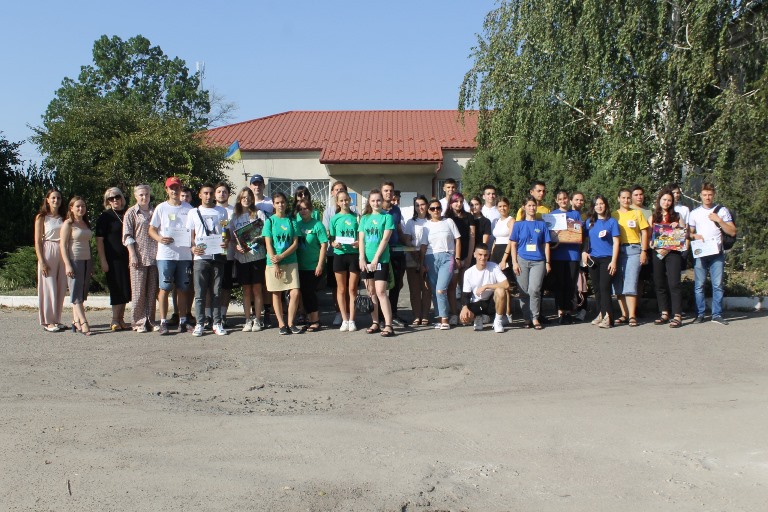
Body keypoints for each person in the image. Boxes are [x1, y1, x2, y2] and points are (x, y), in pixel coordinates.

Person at [149, 176, 194, 335]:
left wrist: (193, 245)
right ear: (166, 189)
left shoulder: (189, 208)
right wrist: (160, 238)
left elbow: (193, 231)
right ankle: (163, 322)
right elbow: (151, 229)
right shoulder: (161, 208)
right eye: (171, 188)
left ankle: (183, 321)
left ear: (181, 189)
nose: (174, 190)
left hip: (184, 256)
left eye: (177, 187)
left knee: (183, 289)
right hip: (166, 255)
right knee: (165, 288)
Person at [688, 182, 736, 325]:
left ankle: (717, 314)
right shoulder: (694, 213)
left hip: (717, 252)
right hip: (701, 252)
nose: (707, 197)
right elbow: (689, 233)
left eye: (710, 194)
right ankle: (700, 314)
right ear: (700, 195)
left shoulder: (721, 211)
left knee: (717, 285)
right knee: (699, 285)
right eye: (704, 195)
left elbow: (732, 231)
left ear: (713, 195)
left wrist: (719, 220)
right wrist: (694, 236)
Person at [188, 184, 229, 336]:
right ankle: (200, 323)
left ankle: (217, 323)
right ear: (200, 195)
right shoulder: (193, 212)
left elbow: (226, 232)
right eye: (205, 193)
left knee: (216, 291)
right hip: (200, 257)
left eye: (211, 193)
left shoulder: (221, 211)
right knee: (200, 293)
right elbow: (191, 236)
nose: (208, 196)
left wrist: (226, 242)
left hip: (218, 256)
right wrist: (193, 248)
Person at [509, 195, 551, 330]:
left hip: (538, 261)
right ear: (524, 207)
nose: (532, 208)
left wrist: (548, 262)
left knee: (535, 290)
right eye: (529, 205)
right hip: (522, 260)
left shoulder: (542, 224)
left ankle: (535, 317)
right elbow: (513, 245)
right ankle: (526, 318)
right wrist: (514, 262)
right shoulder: (518, 225)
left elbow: (546, 245)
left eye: (534, 205)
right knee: (523, 291)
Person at [358, 189, 396, 337]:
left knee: (381, 292)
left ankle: (388, 324)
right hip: (366, 260)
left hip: (381, 260)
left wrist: (375, 259)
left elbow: (385, 240)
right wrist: (361, 258)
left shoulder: (387, 218)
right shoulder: (364, 218)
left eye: (378, 200)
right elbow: (361, 239)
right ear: (369, 202)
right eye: (373, 200)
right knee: (371, 292)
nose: (376, 203)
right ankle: (375, 322)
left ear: (382, 201)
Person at [263, 192, 302, 335]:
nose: (280, 205)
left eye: (283, 202)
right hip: (273, 263)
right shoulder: (270, 222)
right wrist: (276, 263)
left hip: (290, 261)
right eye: (277, 203)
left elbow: (295, 243)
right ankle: (281, 323)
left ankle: (291, 322)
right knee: (276, 293)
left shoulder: (292, 221)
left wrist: (282, 256)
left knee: (295, 292)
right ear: (273, 204)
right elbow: (268, 244)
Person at [230, 187, 267, 332]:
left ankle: (257, 319)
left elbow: (265, 234)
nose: (246, 199)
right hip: (242, 259)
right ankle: (247, 320)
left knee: (257, 289)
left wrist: (256, 240)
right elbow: (232, 239)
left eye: (249, 197)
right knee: (246, 290)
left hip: (257, 256)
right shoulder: (234, 217)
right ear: (240, 199)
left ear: (252, 199)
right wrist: (237, 247)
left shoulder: (259, 214)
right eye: (243, 197)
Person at [420, 198, 461, 330]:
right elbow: (423, 246)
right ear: (429, 211)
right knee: (434, 290)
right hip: (430, 258)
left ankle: (445, 319)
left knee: (441, 289)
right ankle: (439, 318)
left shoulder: (448, 221)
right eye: (432, 209)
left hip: (447, 257)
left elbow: (458, 240)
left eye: (438, 208)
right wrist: (421, 263)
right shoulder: (426, 226)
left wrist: (458, 257)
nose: (436, 210)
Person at [123, 184, 158, 333]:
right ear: (136, 196)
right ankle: (138, 322)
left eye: (146, 195)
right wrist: (132, 254)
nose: (144, 198)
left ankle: (150, 320)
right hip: (138, 256)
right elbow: (127, 236)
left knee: (151, 291)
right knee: (138, 292)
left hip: (154, 257)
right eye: (141, 195)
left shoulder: (155, 211)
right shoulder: (131, 213)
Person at [649, 188, 687, 328]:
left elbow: (683, 236)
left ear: (672, 202)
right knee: (659, 283)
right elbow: (648, 238)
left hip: (673, 253)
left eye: (669, 200)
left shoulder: (677, 216)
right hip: (658, 252)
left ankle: (677, 315)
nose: (666, 202)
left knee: (674, 283)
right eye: (664, 199)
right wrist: (654, 246)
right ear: (659, 200)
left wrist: (678, 227)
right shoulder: (653, 217)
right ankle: (664, 313)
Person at [612, 188, 649, 327]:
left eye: (628, 198)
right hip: (617, 251)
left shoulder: (637, 213)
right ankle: (624, 314)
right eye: (623, 198)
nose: (626, 200)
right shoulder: (613, 215)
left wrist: (644, 251)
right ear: (618, 199)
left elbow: (644, 232)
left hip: (633, 249)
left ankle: (632, 315)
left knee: (631, 281)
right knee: (618, 284)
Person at [96, 187, 131, 331]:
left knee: (125, 288)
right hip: (113, 258)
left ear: (122, 197)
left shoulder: (128, 213)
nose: (115, 200)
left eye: (117, 197)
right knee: (116, 288)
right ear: (107, 201)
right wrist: (103, 260)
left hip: (128, 257)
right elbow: (99, 240)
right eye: (111, 198)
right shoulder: (105, 217)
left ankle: (121, 318)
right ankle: (114, 319)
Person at [583, 195, 620, 328]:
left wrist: (614, 261)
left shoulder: (612, 222)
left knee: (605, 288)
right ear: (593, 207)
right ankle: (601, 313)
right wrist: (584, 252)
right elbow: (585, 240)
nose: (599, 206)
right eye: (596, 204)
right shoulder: (589, 222)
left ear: (606, 205)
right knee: (597, 289)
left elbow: (616, 242)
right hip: (593, 259)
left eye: (602, 203)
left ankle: (609, 318)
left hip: (607, 259)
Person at [34, 188, 67, 332]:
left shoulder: (64, 217)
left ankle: (56, 319)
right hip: (48, 249)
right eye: (53, 198)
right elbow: (37, 241)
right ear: (47, 200)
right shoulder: (42, 217)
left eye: (58, 198)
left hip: (63, 251)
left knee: (60, 286)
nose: (56, 200)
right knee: (48, 287)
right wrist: (42, 261)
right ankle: (48, 321)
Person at [60, 196, 93, 335]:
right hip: (75, 260)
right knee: (76, 294)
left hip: (87, 260)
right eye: (78, 206)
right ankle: (84, 322)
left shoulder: (86, 223)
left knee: (81, 292)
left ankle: (75, 321)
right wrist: (67, 264)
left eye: (83, 206)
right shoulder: (68, 224)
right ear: (71, 208)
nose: (81, 209)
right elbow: (62, 245)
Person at [549, 190, 584, 324]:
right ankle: (560, 312)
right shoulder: (552, 215)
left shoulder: (575, 214)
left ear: (568, 200)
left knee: (570, 284)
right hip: (557, 255)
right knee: (559, 285)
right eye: (560, 199)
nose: (563, 201)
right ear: (556, 200)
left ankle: (569, 311)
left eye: (565, 198)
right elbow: (550, 236)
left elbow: (579, 233)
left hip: (573, 255)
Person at [329, 190, 361, 332]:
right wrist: (334, 243)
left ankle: (352, 319)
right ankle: (344, 319)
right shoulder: (334, 218)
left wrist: (359, 243)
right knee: (341, 289)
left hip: (353, 255)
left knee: (352, 289)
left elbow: (361, 237)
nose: (344, 203)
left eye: (346, 200)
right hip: (339, 255)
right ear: (337, 202)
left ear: (350, 200)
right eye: (341, 200)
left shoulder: (357, 217)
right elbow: (332, 238)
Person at [323, 180, 353, 327]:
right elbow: (327, 233)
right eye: (336, 190)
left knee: (350, 286)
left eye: (342, 189)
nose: (339, 191)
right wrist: (333, 242)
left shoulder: (355, 213)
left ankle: (349, 314)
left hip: (351, 253)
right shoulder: (328, 212)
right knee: (337, 286)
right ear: (333, 194)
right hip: (333, 253)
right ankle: (339, 313)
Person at [459, 244, 509, 333]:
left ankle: (498, 321)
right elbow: (465, 294)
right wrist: (464, 308)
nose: (483, 258)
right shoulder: (468, 272)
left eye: (485, 255)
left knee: (500, 291)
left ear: (488, 255)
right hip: (476, 302)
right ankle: (478, 317)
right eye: (480, 255)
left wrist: (486, 286)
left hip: (490, 302)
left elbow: (506, 285)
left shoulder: (494, 266)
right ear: (475, 255)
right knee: (464, 318)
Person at [296, 198, 328, 332]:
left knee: (310, 292)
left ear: (311, 210)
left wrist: (320, 264)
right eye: (301, 209)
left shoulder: (317, 225)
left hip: (314, 266)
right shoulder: (297, 224)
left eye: (306, 208)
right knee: (304, 293)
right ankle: (309, 319)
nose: (303, 211)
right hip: (300, 265)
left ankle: (315, 320)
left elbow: (324, 245)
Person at [445, 192, 475, 325]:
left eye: (461, 201)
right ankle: (453, 313)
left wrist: (469, 257)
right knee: (452, 286)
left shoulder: (469, 217)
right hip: (452, 257)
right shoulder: (446, 218)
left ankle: (466, 313)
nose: (459, 204)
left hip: (465, 256)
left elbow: (472, 238)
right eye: (456, 201)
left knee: (465, 287)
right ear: (451, 203)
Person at [381, 181, 407, 327]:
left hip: (397, 252)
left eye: (391, 191)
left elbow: (399, 230)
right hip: (382, 253)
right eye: (385, 190)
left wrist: (409, 244)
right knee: (381, 286)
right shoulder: (377, 210)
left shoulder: (396, 210)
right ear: (381, 192)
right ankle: (380, 317)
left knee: (396, 285)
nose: (388, 193)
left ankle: (393, 314)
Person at [402, 195, 431, 326]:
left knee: (426, 288)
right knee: (414, 289)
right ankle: (416, 315)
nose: (420, 207)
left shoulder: (431, 221)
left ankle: (425, 315)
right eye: (417, 205)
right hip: (413, 257)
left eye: (423, 204)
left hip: (429, 257)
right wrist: (415, 252)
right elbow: (407, 240)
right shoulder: (410, 222)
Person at [213, 181, 234, 327]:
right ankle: (210, 316)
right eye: (219, 191)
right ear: (215, 194)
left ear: (228, 194)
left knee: (226, 286)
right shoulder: (209, 210)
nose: (222, 194)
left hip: (229, 255)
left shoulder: (234, 211)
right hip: (211, 255)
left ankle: (223, 314)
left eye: (224, 191)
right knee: (211, 287)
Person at [491, 196, 515, 323]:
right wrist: (491, 256)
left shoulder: (511, 220)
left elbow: (511, 240)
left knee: (505, 286)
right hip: (495, 253)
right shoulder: (496, 221)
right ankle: (499, 311)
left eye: (504, 206)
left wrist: (504, 258)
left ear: (508, 206)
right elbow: (495, 240)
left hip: (506, 253)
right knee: (496, 285)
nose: (502, 208)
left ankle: (508, 313)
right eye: (500, 206)